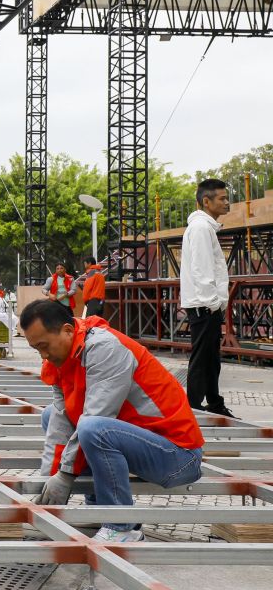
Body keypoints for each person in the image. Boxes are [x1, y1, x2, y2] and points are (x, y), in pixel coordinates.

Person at [21, 299, 204, 543]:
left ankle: (121, 525)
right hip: (140, 445)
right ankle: (100, 509)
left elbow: (97, 416)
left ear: (67, 330)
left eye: (44, 346)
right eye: (36, 349)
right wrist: (49, 481)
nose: (43, 355)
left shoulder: (105, 349)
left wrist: (65, 475)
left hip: (177, 455)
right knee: (51, 415)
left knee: (93, 428)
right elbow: (60, 423)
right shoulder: (61, 359)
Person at [180, 179, 234, 417]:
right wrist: (213, 303)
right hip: (204, 305)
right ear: (206, 201)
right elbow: (202, 269)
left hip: (206, 305)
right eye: (222, 198)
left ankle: (214, 402)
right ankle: (192, 409)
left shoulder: (204, 227)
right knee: (202, 358)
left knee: (210, 358)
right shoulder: (201, 228)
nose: (227, 202)